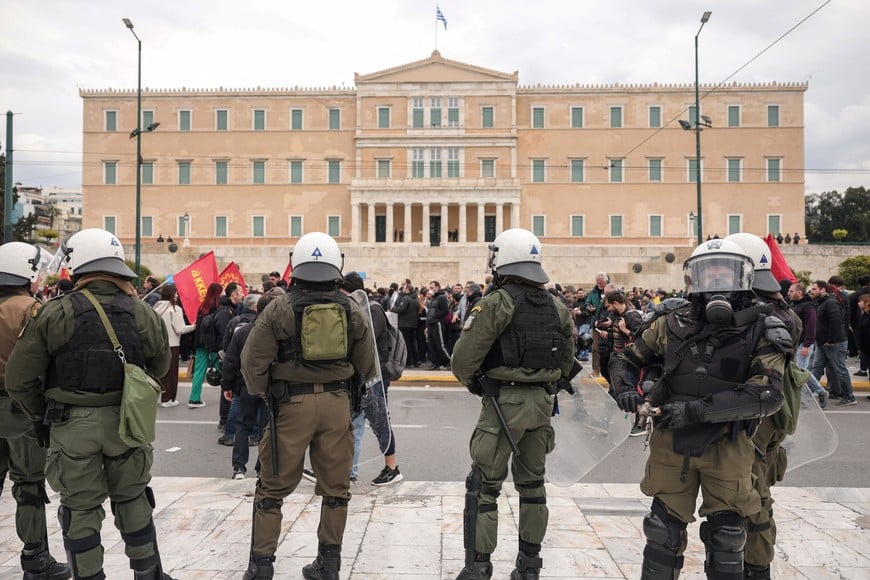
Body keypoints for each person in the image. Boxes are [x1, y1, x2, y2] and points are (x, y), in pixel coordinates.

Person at [610, 238, 788, 580]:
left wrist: (694, 411)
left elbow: (767, 394)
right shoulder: (671, 322)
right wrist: (624, 390)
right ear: (695, 278)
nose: (717, 280)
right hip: (673, 443)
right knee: (662, 532)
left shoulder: (762, 326)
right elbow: (625, 359)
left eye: (726, 272)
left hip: (729, 443)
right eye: (709, 273)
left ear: (744, 277)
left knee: (728, 537)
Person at [6, 228, 173, 580]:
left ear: (77, 265)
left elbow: (19, 378)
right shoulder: (141, 312)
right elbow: (160, 366)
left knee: (80, 509)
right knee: (133, 500)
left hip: (71, 425)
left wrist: (42, 413)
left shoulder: (54, 312)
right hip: (127, 423)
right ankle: (148, 573)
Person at [240, 232, 376, 580]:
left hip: (291, 404)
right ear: (336, 267)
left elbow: (253, 360)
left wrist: (263, 393)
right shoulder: (351, 309)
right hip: (336, 403)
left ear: (295, 265)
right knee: (336, 489)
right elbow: (367, 362)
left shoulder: (279, 307)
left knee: (271, 488)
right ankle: (328, 565)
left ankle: (261, 566)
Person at [451, 228, 576, 580]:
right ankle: (529, 566)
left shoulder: (497, 302)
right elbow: (567, 362)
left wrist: (479, 382)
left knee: (485, 486)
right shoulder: (556, 305)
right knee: (533, 487)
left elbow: (463, 360)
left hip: (504, 402)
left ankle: (478, 566)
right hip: (542, 405)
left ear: (503, 258)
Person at [726, 232, 803, 579]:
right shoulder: (781, 311)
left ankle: (756, 570)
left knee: (754, 504)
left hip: (756, 426)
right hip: (750, 422)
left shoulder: (773, 317)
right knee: (748, 503)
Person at [0, 242, 71, 580]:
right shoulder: (32, 309)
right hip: (21, 408)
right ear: (26, 272)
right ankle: (35, 558)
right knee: (28, 484)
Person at [337, 272, 403, 485]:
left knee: (380, 422)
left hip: (375, 377)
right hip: (362, 377)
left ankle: (392, 467)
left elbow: (366, 340)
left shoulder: (372, 310)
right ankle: (348, 470)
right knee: (352, 423)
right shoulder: (361, 309)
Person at [221, 291, 276, 479]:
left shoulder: (243, 331)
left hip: (246, 385)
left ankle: (239, 467)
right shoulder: (277, 333)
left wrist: (227, 386)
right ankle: (262, 467)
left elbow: (231, 361)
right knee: (266, 428)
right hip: (270, 386)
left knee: (243, 425)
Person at [218, 292, 260, 446]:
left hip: (238, 372)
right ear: (256, 307)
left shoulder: (235, 321)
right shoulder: (261, 326)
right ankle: (255, 435)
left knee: (237, 402)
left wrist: (227, 383)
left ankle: (229, 433)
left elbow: (227, 348)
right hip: (255, 372)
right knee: (258, 404)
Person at [810, 280, 856, 405]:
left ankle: (849, 396)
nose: (812, 291)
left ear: (823, 290)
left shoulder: (831, 302)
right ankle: (807, 394)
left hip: (833, 343)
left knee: (840, 369)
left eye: (814, 289)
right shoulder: (820, 302)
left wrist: (831, 340)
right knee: (816, 368)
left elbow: (836, 322)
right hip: (822, 343)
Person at [152, 283, 195, 407]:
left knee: (161, 372)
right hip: (172, 344)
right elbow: (180, 329)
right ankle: (167, 398)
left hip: (159, 344)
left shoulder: (156, 307)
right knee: (171, 373)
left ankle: (159, 397)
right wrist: (193, 326)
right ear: (172, 294)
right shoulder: (175, 309)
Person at [787, 282, 828, 407]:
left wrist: (806, 345)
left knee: (801, 372)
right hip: (795, 344)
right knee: (799, 371)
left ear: (800, 293)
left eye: (791, 291)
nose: (788, 293)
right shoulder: (794, 304)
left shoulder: (808, 307)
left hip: (804, 344)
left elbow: (811, 327)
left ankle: (808, 398)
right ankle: (817, 393)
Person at [189, 282, 223, 409]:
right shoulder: (219, 307)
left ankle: (194, 398)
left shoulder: (202, 306)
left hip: (200, 342)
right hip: (213, 343)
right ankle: (228, 398)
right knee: (222, 368)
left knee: (199, 370)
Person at [391, 279, 420, 368]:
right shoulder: (415, 299)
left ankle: (408, 361)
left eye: (404, 288)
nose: (402, 289)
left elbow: (401, 309)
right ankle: (415, 360)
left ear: (407, 290)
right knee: (412, 342)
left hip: (405, 324)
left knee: (406, 343)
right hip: (413, 324)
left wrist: (392, 309)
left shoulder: (406, 298)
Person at [424, 280, 452, 370]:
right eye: (430, 288)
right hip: (431, 324)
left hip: (437, 323)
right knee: (432, 345)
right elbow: (430, 312)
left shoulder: (441, 297)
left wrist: (436, 317)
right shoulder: (433, 298)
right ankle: (435, 363)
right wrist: (427, 326)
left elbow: (445, 311)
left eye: (432, 288)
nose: (430, 289)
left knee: (441, 344)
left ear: (437, 287)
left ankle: (449, 361)